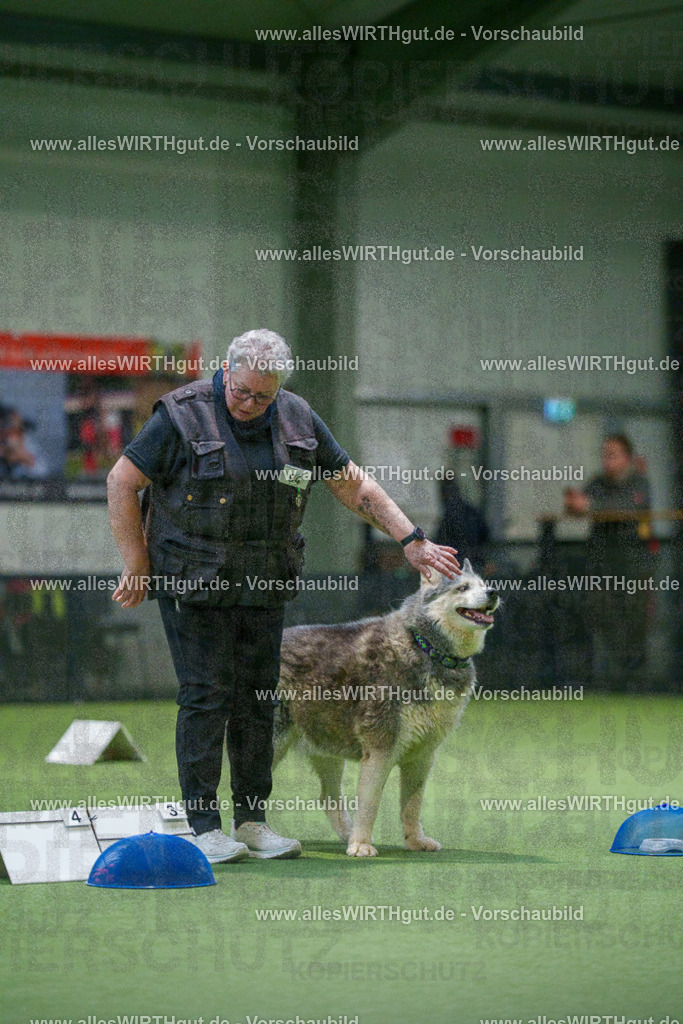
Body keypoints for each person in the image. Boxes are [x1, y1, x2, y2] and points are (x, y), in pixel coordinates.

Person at [106, 329, 460, 863]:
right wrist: (136, 561)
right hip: (190, 580)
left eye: (263, 396)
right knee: (207, 695)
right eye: (242, 392)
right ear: (225, 372)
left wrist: (410, 539)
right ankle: (203, 826)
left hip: (262, 581)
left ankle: (251, 821)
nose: (251, 404)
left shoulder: (296, 415)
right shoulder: (181, 415)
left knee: (257, 697)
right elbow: (120, 480)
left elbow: (351, 484)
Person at [564, 434, 652, 679]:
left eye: (613, 454)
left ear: (627, 457)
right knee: (600, 611)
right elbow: (581, 505)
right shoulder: (597, 483)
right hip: (602, 565)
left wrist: (591, 506)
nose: (607, 460)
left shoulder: (638, 483)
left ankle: (638, 677)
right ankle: (617, 668)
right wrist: (574, 504)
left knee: (635, 622)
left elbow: (626, 507)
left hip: (634, 564)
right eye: (604, 455)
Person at [434, 478, 491, 576]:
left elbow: (441, 539)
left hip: (457, 563)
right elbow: (485, 534)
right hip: (475, 561)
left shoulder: (449, 514)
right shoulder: (471, 511)